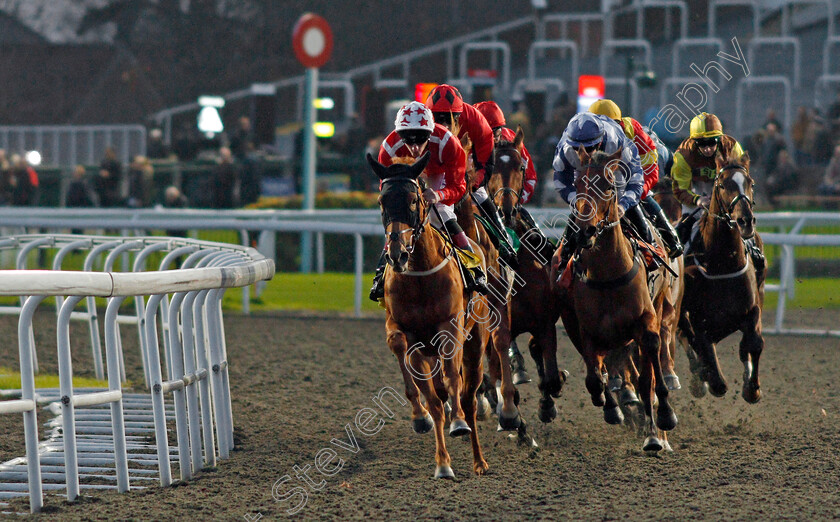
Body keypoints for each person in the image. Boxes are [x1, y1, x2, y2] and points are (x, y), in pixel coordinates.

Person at [369, 101, 489, 300]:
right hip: (405, 177)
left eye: (421, 139)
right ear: (400, 135)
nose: (415, 147)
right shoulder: (389, 149)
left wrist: (438, 195)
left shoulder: (449, 143)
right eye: (408, 139)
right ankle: (381, 273)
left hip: (438, 174)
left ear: (431, 132)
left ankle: (474, 268)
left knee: (440, 211)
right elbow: (387, 187)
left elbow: (458, 187)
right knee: (398, 219)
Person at [425, 84, 516, 266]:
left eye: (448, 119)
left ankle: (504, 241)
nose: (443, 125)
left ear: (459, 116)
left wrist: (470, 184)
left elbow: (486, 165)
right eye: (437, 118)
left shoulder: (478, 123)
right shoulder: (422, 120)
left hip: (467, 166)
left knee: (480, 195)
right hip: (436, 167)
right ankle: (382, 269)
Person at [553, 112, 651, 272]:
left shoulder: (616, 142)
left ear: (599, 144)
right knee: (581, 215)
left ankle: (650, 246)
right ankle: (564, 260)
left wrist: (623, 205)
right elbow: (561, 181)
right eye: (577, 148)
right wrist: (578, 202)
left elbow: (636, 180)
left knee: (625, 203)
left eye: (589, 148)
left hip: (615, 173)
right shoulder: (565, 149)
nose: (584, 151)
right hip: (584, 177)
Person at [670, 112, 765, 269]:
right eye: (701, 143)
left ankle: (752, 249)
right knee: (684, 229)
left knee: (741, 218)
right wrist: (697, 200)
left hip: (725, 187)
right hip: (696, 190)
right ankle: (680, 262)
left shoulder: (732, 147)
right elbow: (680, 189)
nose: (707, 148)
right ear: (694, 141)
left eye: (712, 142)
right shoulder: (683, 155)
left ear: (719, 139)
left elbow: (742, 178)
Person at [589, 99, 683, 257]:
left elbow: (649, 176)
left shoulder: (636, 136)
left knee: (640, 196)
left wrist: (625, 202)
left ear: (618, 125)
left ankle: (668, 238)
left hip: (644, 167)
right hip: (612, 174)